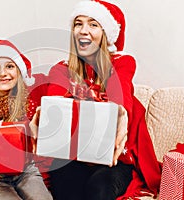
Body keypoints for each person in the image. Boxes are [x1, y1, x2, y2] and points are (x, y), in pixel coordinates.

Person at [42, 0, 161, 199]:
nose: (83, 30)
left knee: (99, 187)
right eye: (78, 24)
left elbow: (120, 91)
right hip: (73, 156)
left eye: (93, 24)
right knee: (68, 185)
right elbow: (54, 102)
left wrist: (120, 112)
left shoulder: (122, 63)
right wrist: (46, 115)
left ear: (106, 33)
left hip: (114, 160)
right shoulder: (61, 69)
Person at [0, 39, 53, 200]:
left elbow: (33, 145)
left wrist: (36, 129)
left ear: (18, 72)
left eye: (10, 66)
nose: (2, 73)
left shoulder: (28, 102)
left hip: (25, 170)